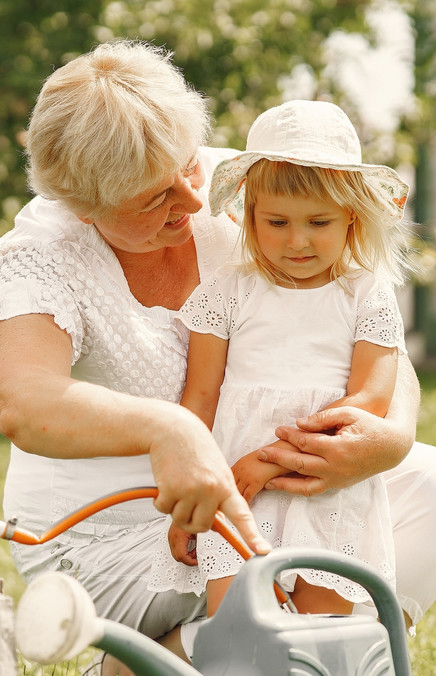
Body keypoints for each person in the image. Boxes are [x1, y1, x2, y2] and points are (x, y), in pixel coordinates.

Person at [0, 40, 436, 668]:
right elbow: (24, 403)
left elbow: (363, 321)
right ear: (83, 208)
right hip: (117, 534)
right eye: (152, 199)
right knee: (274, 606)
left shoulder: (255, 186)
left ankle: (299, 658)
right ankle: (165, 657)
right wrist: (170, 430)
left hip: (262, 484)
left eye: (187, 167)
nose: (191, 201)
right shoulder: (43, 254)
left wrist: (389, 431)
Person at [152, 99, 414, 618]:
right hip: (236, 493)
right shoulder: (227, 292)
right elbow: (199, 397)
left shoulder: (366, 295)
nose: (297, 241)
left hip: (327, 487)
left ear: (352, 219)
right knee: (239, 629)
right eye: (277, 222)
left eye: (319, 222)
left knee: (321, 638)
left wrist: (266, 463)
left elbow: (369, 400)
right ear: (249, 216)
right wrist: (188, 491)